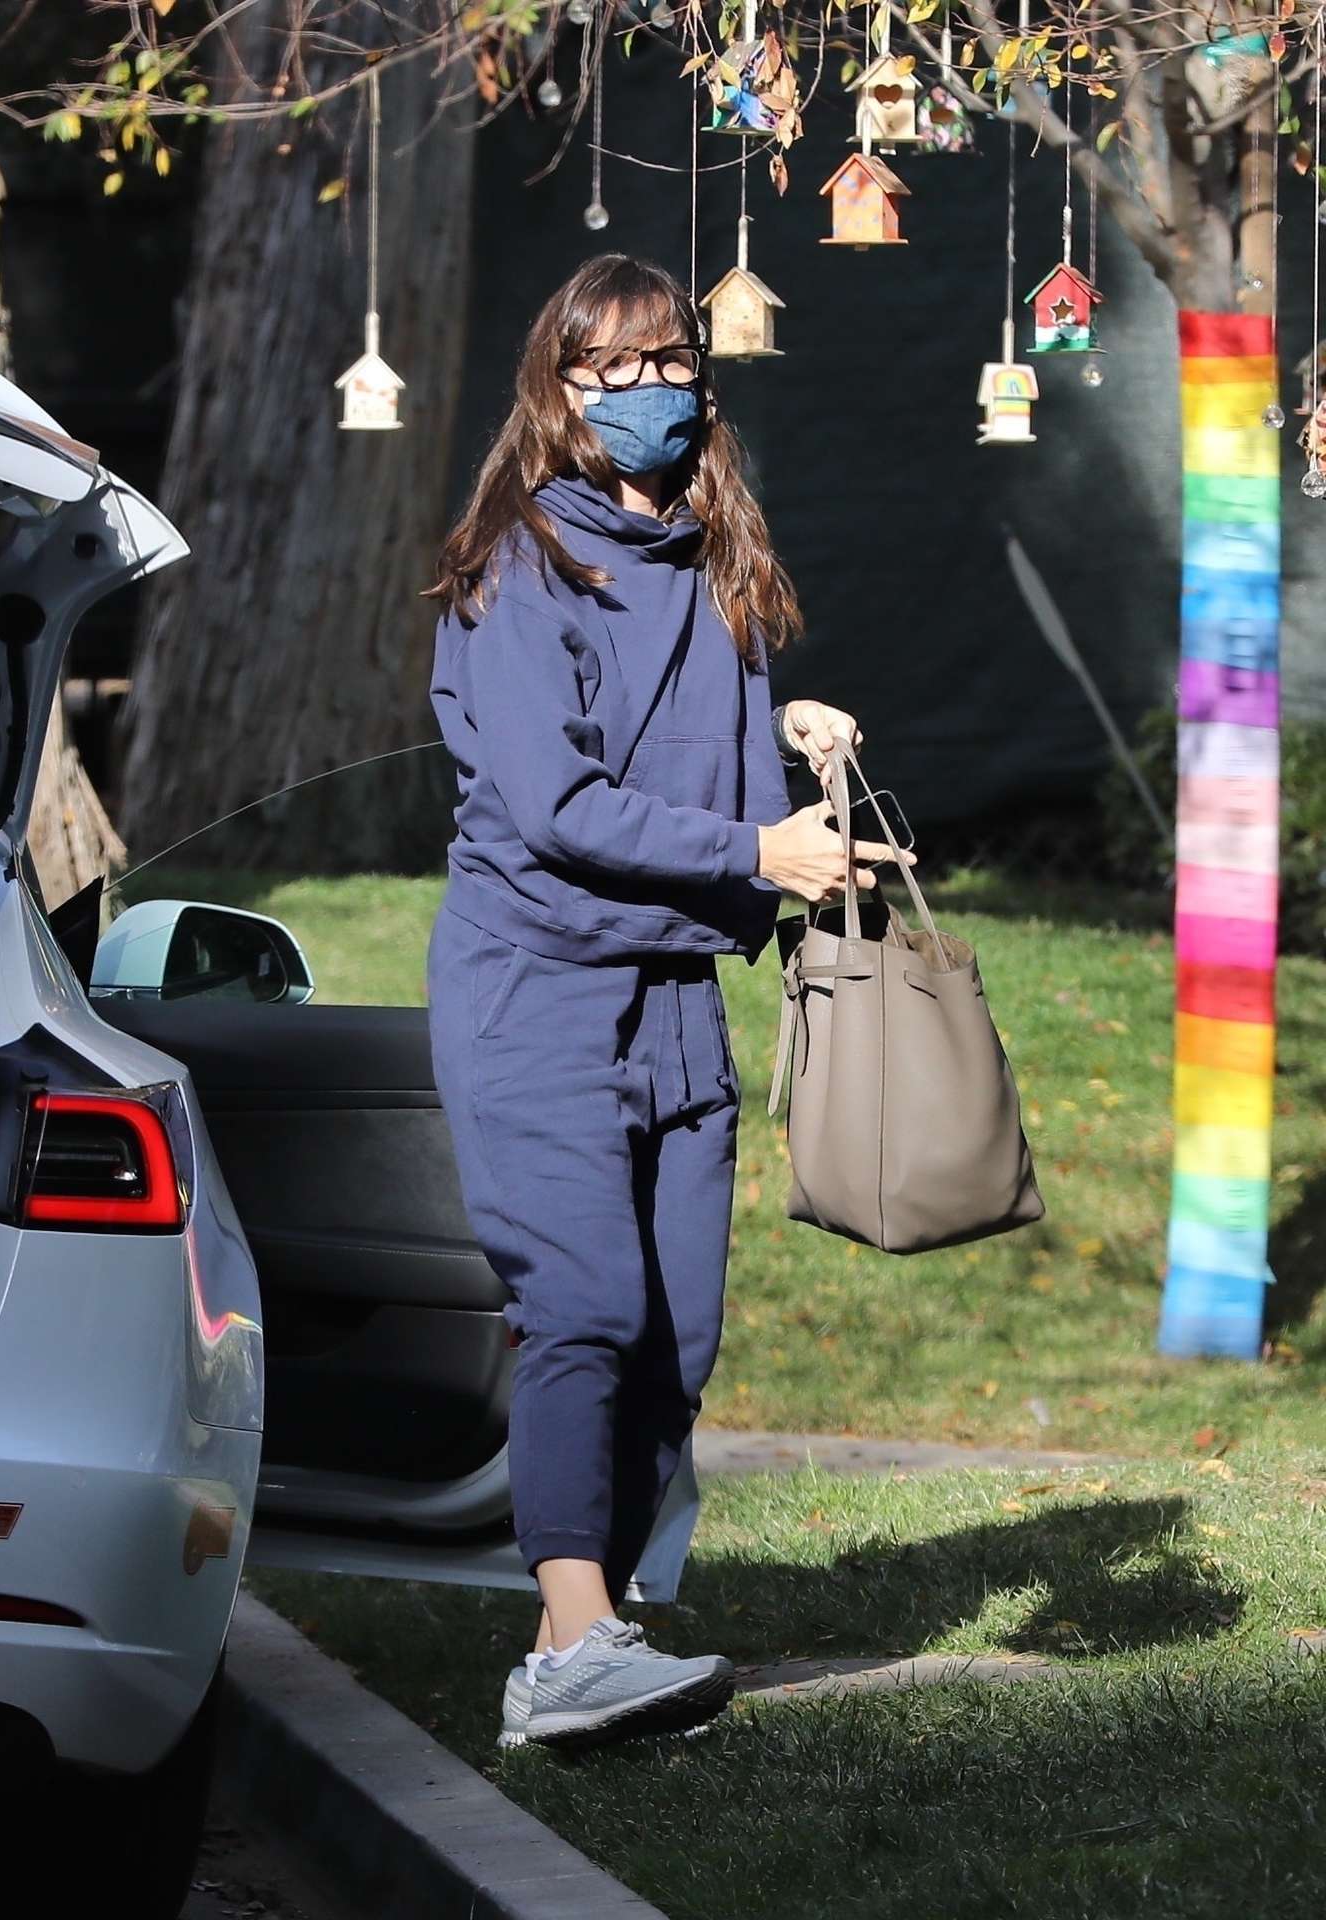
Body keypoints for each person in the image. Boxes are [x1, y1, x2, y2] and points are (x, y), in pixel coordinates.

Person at [425, 253, 916, 1752]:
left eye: (672, 361)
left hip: (676, 992)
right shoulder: (519, 565)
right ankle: (580, 1634)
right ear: (558, 387)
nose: (650, 391)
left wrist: (786, 733)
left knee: (674, 1344)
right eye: (614, 367)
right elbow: (562, 803)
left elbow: (672, 741)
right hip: (535, 984)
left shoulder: (712, 552)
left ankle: (570, 1662)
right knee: (582, 1308)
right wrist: (759, 853)